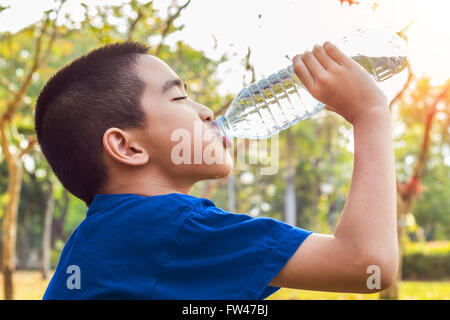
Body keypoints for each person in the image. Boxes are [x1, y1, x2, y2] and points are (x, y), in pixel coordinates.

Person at [35, 41, 398, 299]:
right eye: (178, 98)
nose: (206, 111)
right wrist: (370, 114)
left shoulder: (100, 237)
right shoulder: (168, 225)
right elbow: (368, 265)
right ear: (127, 147)